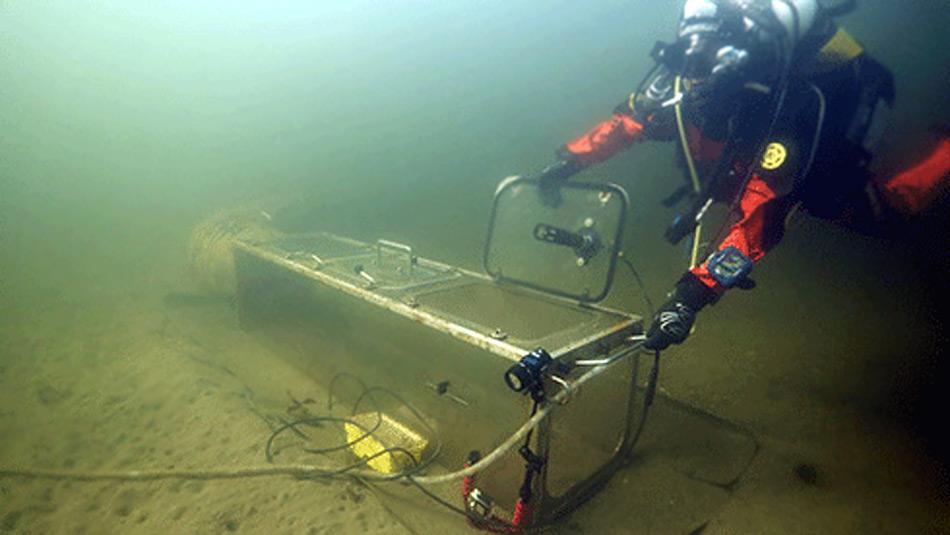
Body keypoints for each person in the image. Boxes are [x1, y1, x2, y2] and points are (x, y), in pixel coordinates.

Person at [533, 0, 950, 351]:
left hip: (810, 148)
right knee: (692, 134)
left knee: (877, 211)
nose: (698, 89)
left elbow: (760, 221)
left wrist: (690, 297)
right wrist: (569, 162)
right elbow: (630, 123)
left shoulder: (787, 110)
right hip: (736, 163)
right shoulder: (684, 78)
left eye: (710, 83)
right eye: (695, 74)